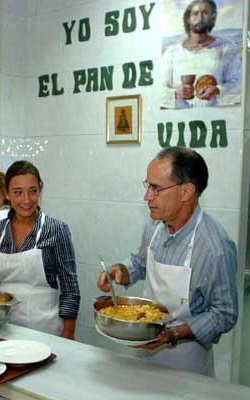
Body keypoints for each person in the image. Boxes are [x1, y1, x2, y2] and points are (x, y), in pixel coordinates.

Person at [97, 147, 238, 376]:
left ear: (186, 191)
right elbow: (141, 262)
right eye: (148, 186)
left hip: (186, 365)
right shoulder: (154, 226)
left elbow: (225, 312)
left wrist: (174, 334)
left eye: (156, 189)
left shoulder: (214, 247)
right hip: (144, 354)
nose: (147, 196)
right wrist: (123, 271)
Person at [0, 161, 81, 339]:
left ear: (40, 189)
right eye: (18, 193)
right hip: (4, 325)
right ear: (7, 193)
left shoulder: (56, 230)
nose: (26, 200)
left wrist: (68, 331)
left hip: (44, 326)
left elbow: (70, 286)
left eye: (33, 191)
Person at [161, 0, 242, 109]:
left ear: (212, 18)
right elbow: (158, 91)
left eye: (204, 13)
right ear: (188, 19)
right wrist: (175, 94)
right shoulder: (171, 53)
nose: (200, 17)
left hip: (216, 117)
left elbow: (239, 84)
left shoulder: (226, 48)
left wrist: (217, 90)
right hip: (179, 120)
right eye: (195, 13)